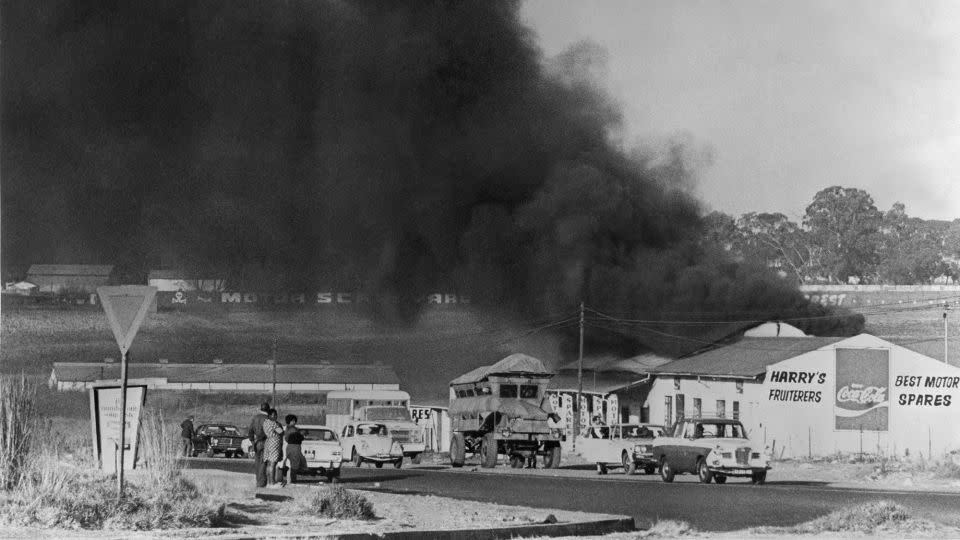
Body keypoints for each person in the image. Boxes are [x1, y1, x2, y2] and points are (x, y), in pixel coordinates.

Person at [247, 402, 270, 488]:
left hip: (257, 443)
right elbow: (277, 430)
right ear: (268, 410)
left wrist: (253, 442)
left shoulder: (255, 418)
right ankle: (262, 483)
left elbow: (250, 431)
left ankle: (258, 481)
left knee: (257, 463)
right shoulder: (268, 418)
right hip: (266, 442)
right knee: (264, 463)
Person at [282, 414, 307, 485]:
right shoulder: (294, 430)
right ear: (290, 421)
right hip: (295, 447)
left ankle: (290, 479)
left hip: (289, 447)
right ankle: (292, 480)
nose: (294, 422)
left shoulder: (286, 429)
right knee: (294, 465)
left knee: (290, 465)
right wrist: (302, 434)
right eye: (293, 421)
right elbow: (298, 438)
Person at [262, 409, 284, 487]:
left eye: (275, 415)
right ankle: (272, 482)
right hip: (274, 443)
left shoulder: (265, 422)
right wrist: (279, 426)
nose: (274, 416)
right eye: (273, 415)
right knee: (273, 463)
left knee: (268, 464)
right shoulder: (274, 424)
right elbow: (281, 432)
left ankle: (268, 483)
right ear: (269, 415)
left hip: (268, 443)